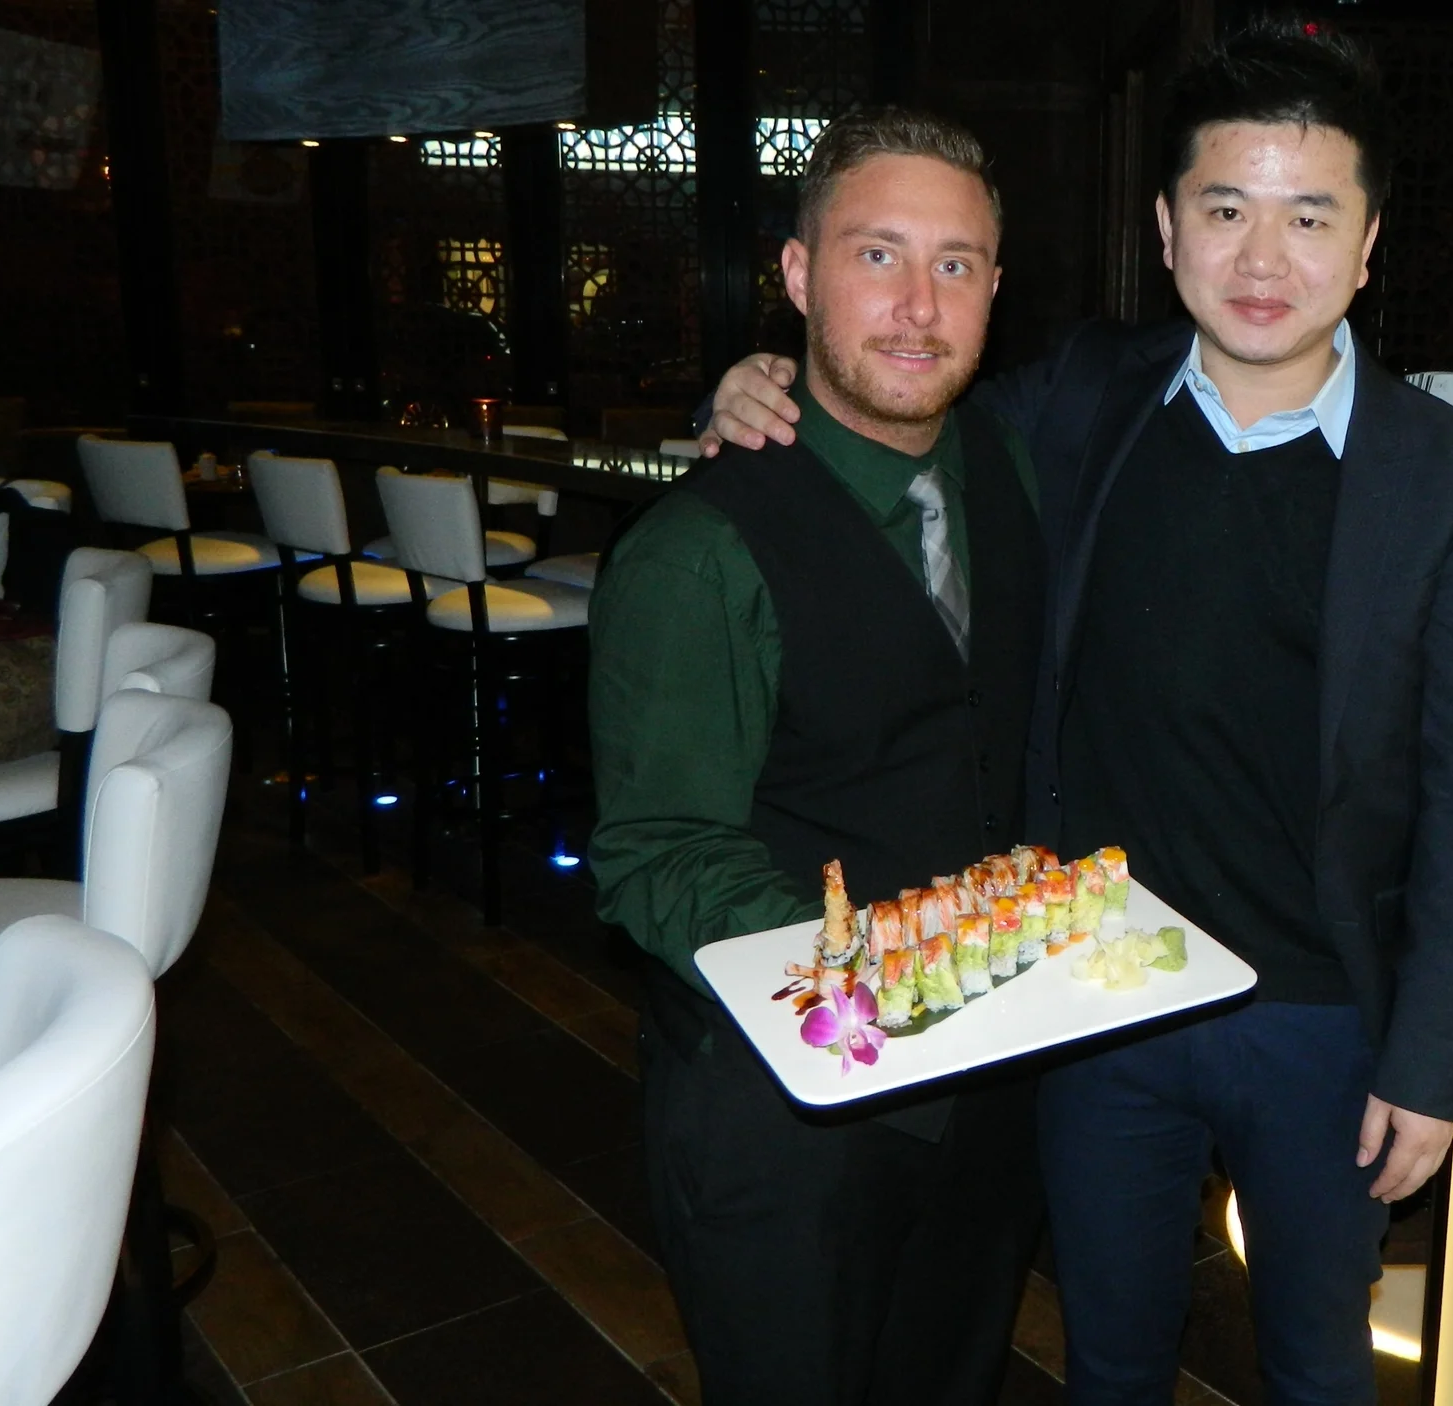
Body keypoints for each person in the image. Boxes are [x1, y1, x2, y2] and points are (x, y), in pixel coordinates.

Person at [703, 24, 1453, 1405]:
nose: (1263, 261)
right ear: (1166, 227)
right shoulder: (1087, 397)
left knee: (1322, 1366)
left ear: (1367, 241)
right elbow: (895, 403)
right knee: (1112, 1356)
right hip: (1096, 998)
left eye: (1308, 216)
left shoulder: (1452, 482)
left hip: (1321, 1017)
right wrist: (748, 384)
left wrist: (1434, 1059)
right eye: (1226, 210)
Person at [587, 107, 1046, 1406]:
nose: (916, 305)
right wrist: (881, 980)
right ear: (797, 276)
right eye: (876, 256)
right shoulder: (699, 552)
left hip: (992, 1085)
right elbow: (655, 857)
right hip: (788, 1117)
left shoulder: (1011, 465)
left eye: (954, 265)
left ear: (995, 290)